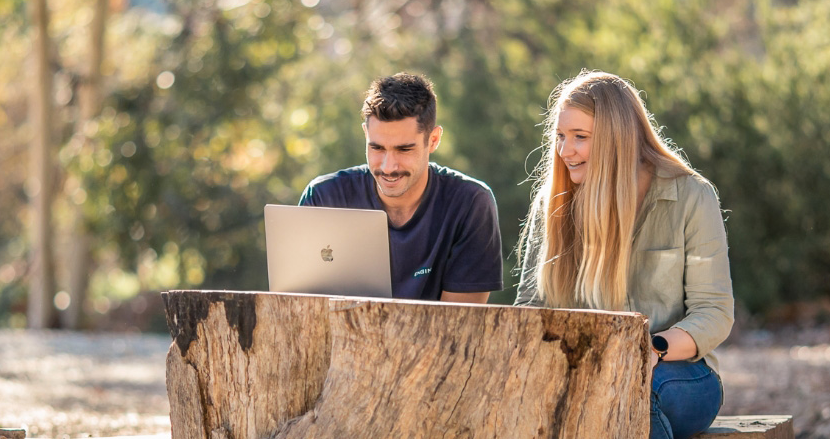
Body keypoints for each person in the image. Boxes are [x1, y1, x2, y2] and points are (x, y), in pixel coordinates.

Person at [514, 71, 734, 439]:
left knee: (629, 392)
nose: (564, 151)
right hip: (583, 374)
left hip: (677, 373)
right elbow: (529, 308)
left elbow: (714, 311)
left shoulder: (692, 196)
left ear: (618, 138)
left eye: (580, 138)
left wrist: (651, 350)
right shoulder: (552, 204)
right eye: (560, 137)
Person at [299, 73, 503, 302]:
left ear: (433, 140)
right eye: (377, 148)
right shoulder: (324, 198)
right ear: (365, 134)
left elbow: (458, 328)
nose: (388, 167)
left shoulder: (470, 204)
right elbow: (301, 312)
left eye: (404, 150)